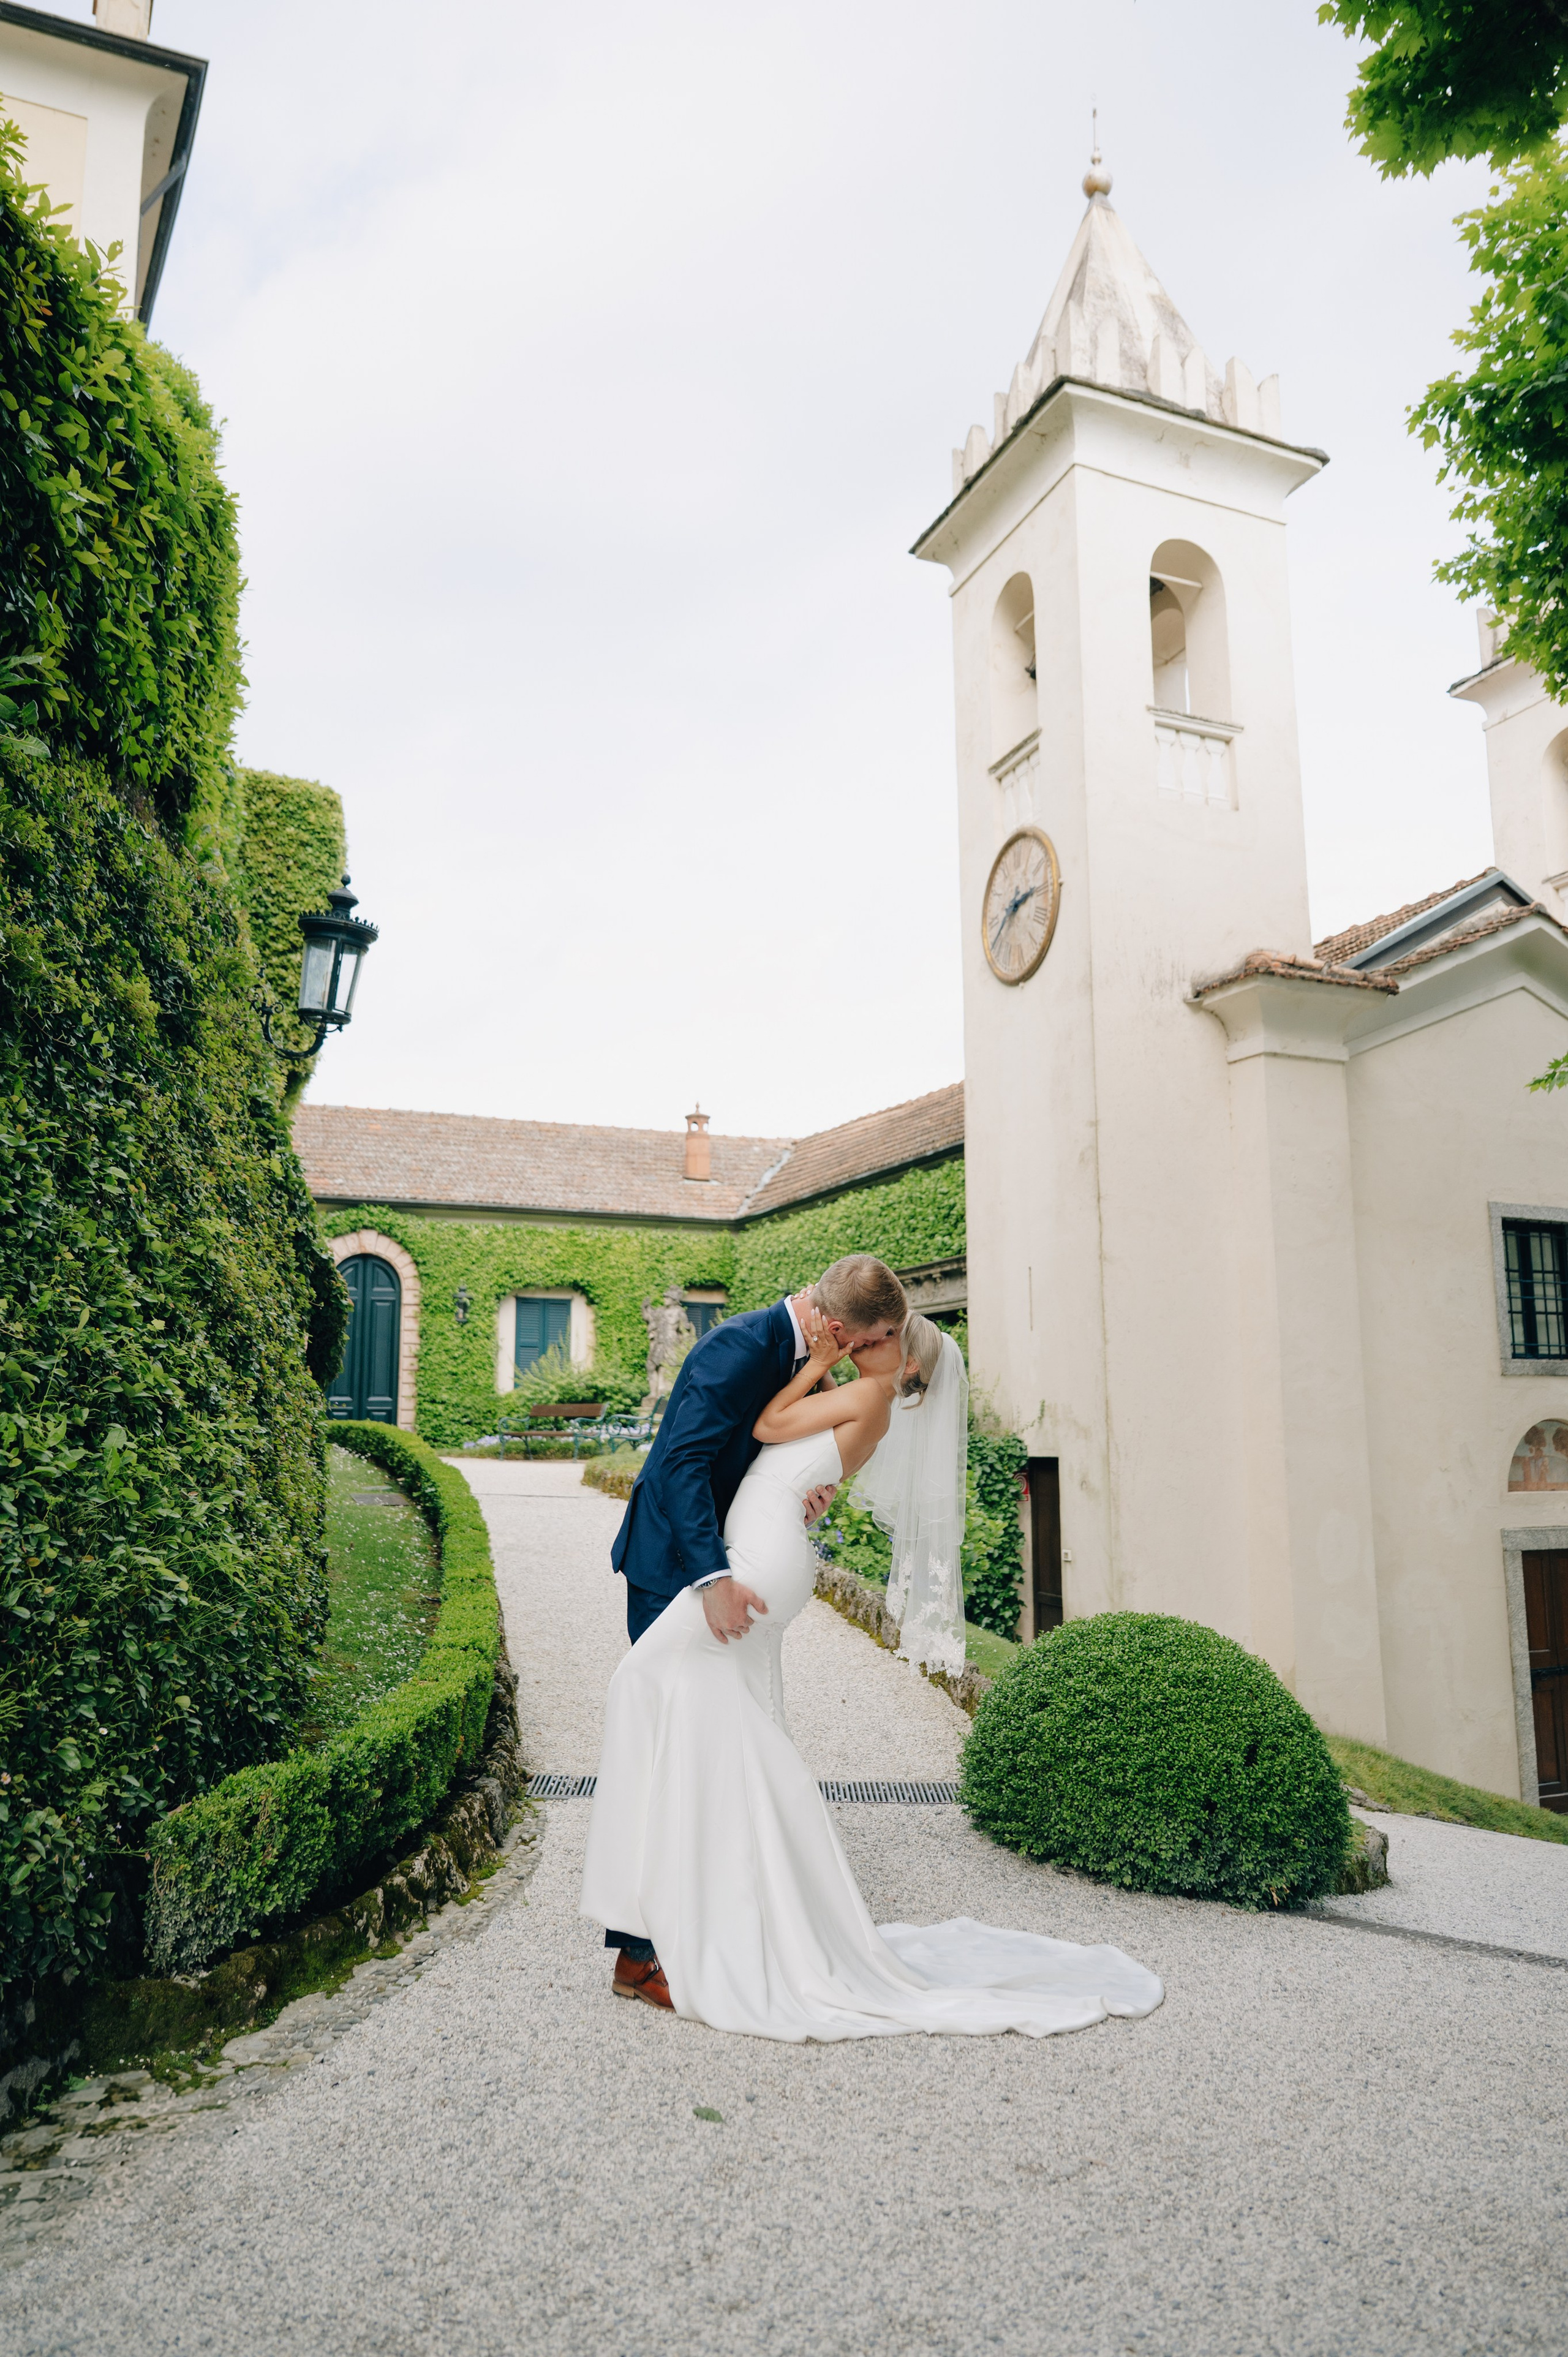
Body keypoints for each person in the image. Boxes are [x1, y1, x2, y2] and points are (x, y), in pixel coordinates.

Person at [582, 1307, 1164, 2040]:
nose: (862, 1346)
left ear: (907, 1363)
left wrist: (819, 1369)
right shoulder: (830, 1382)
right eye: (868, 1333)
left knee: (665, 1709)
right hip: (755, 1555)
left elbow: (764, 1429)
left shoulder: (863, 1392)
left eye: (882, 1340)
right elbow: (762, 1455)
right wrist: (806, 1467)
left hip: (749, 1569)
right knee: (702, 1727)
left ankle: (659, 1944)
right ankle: (696, 1926)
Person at [598, 1254, 910, 2000]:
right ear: (838, 1329)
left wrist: (793, 1488)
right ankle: (641, 1954)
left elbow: (763, 1446)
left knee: (711, 1750)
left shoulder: (806, 1358)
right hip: (678, 1561)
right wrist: (712, 1579)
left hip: (727, 1557)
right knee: (672, 1743)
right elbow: (680, 1463)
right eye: (878, 1339)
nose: (885, 1351)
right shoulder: (741, 1346)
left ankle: (689, 1929)